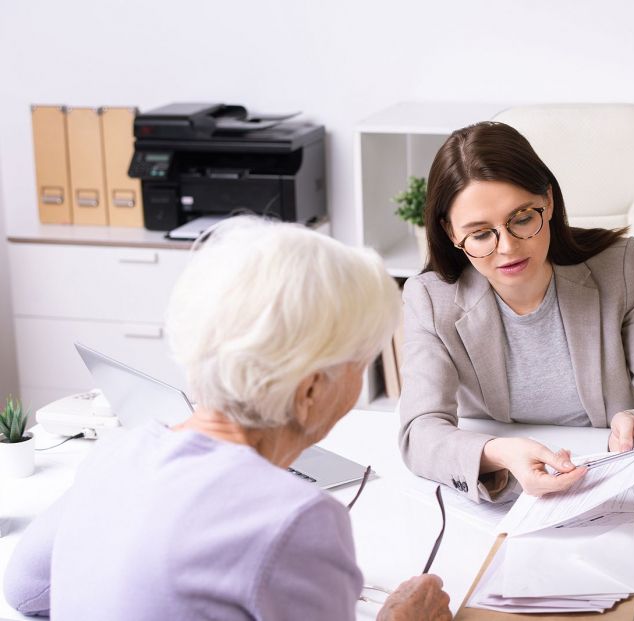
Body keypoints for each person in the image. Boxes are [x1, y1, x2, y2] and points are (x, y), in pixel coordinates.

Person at [4, 218, 452, 621]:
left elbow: (23, 592)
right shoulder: (297, 520)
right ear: (311, 391)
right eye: (360, 364)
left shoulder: (118, 454)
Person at [399, 121, 634, 503]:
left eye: (521, 219)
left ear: (548, 201)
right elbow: (419, 433)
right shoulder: (430, 299)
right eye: (481, 234)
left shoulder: (619, 267)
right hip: (505, 494)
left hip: (612, 485)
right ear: (452, 234)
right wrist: (498, 452)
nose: (507, 247)